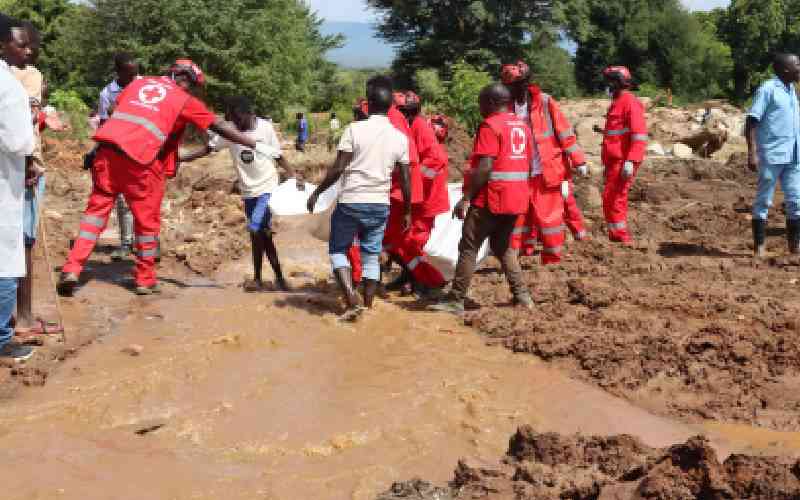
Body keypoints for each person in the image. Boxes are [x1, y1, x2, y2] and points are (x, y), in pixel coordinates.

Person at [58, 59, 269, 296]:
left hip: (106, 154)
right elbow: (217, 125)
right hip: (141, 161)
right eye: (193, 86)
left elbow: (115, 113)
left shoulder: (139, 84)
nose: (192, 91)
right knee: (146, 223)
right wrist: (252, 142)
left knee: (94, 217)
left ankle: (72, 269)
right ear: (186, 80)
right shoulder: (183, 99)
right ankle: (145, 279)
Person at [307, 78, 411, 322]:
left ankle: (352, 300)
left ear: (370, 103)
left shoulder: (354, 130)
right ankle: (368, 306)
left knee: (337, 249)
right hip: (380, 205)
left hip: (352, 202)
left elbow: (338, 169)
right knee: (371, 255)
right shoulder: (399, 138)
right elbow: (406, 180)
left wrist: (317, 192)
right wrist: (407, 211)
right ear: (390, 107)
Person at [429, 84, 533, 314]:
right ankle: (522, 296)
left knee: (469, 247)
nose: (480, 108)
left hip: (491, 198)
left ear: (493, 103)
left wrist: (466, 198)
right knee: (503, 248)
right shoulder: (522, 126)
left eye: (482, 103)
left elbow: (485, 167)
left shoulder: (490, 125)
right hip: (516, 197)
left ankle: (456, 299)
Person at [183, 95, 300, 292]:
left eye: (239, 119)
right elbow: (208, 149)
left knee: (255, 229)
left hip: (267, 188)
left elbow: (277, 155)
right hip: (248, 192)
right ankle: (267, 278)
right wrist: (182, 159)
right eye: (233, 120)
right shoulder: (230, 131)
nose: (236, 124)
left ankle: (270, 279)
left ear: (249, 114)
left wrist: (293, 175)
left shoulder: (265, 128)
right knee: (261, 236)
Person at [501, 60, 588, 265]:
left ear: (526, 82)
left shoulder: (545, 102)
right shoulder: (505, 107)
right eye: (510, 86)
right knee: (518, 220)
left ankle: (552, 260)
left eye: (518, 85)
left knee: (549, 219)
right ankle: (518, 258)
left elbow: (564, 132)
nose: (514, 90)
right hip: (519, 174)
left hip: (546, 171)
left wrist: (578, 160)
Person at [0, 14, 36, 360]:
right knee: (6, 260)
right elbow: (16, 141)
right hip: (4, 182)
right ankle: (2, 339)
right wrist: (31, 159)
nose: (27, 50)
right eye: (20, 43)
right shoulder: (8, 84)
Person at [11, 21, 47, 335]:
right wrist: (29, 165)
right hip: (23, 169)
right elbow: (28, 118)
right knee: (24, 242)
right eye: (23, 45)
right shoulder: (30, 75)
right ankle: (23, 316)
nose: (29, 50)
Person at [746, 53, 800, 257]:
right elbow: (751, 121)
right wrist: (752, 153)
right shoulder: (768, 89)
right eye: (797, 64)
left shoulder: (792, 90)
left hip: (794, 154)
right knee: (763, 201)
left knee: (797, 201)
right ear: (786, 69)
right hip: (771, 154)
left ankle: (794, 246)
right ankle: (759, 247)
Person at [395, 91, 449, 293]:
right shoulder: (412, 127)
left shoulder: (419, 127)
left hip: (428, 198)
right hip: (420, 197)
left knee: (414, 242)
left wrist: (415, 180)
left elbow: (436, 159)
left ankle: (427, 281)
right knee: (404, 240)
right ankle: (409, 278)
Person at [97, 52, 140, 261]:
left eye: (136, 74)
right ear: (119, 72)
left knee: (145, 199)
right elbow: (105, 126)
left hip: (144, 151)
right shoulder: (107, 94)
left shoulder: (143, 86)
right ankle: (126, 243)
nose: (134, 79)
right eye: (130, 75)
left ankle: (149, 242)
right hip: (121, 151)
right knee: (123, 200)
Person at [600, 66, 648, 245]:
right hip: (613, 161)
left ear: (618, 83)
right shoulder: (617, 102)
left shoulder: (629, 102)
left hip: (623, 161)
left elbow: (639, 134)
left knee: (616, 198)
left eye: (610, 82)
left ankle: (621, 237)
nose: (607, 86)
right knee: (609, 198)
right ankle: (615, 234)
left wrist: (631, 160)